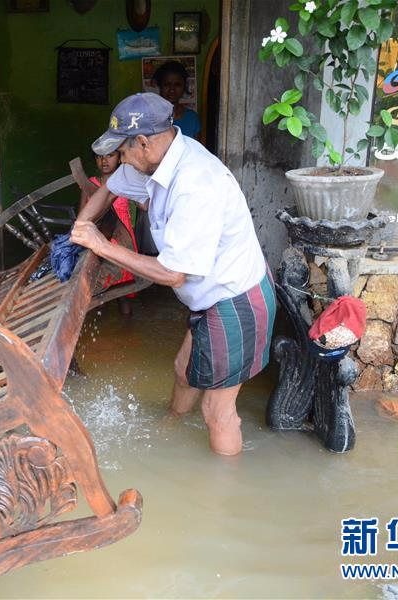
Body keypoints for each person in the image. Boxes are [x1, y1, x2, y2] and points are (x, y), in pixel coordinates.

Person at [71, 93, 275, 456]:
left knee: (218, 411)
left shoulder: (196, 184)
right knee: (183, 370)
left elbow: (172, 274)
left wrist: (102, 246)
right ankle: (170, 429)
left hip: (235, 300)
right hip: (209, 297)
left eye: (123, 151)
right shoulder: (158, 161)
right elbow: (110, 187)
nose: (120, 160)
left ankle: (221, 497)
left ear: (145, 143)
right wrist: (82, 226)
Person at [80, 150, 139, 316]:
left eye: (110, 155)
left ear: (120, 157)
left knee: (123, 296)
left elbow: (144, 205)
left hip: (123, 243)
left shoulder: (126, 183)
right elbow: (81, 217)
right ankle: (105, 335)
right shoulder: (89, 184)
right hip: (98, 243)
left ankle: (127, 333)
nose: (104, 160)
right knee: (98, 294)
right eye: (99, 156)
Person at [152, 61, 200, 140]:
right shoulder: (150, 117)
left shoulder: (192, 118)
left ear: (184, 86)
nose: (172, 90)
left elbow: (197, 150)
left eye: (177, 84)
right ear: (159, 86)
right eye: (167, 84)